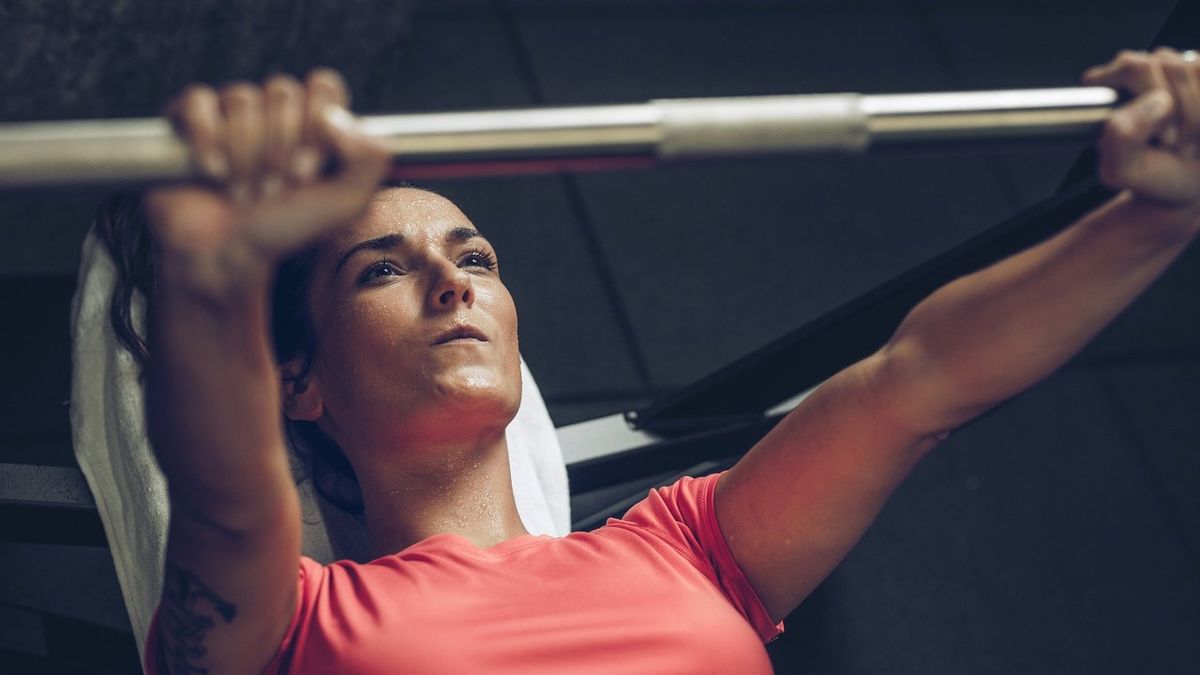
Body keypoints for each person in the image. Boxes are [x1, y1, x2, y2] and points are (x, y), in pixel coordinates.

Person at [122, 49, 1199, 674]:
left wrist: (1152, 219)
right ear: (297, 384)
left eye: (474, 256)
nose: (452, 285)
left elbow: (920, 380)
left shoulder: (688, 546)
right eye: (378, 272)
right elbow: (223, 508)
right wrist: (216, 280)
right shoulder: (292, 627)